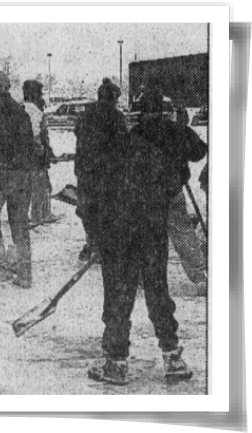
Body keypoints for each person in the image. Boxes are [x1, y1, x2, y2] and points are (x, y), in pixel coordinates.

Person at [87, 88, 194, 386]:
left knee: (119, 297)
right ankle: (172, 356)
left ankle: (117, 362)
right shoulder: (147, 150)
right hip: (151, 233)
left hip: (120, 236)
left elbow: (96, 203)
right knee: (158, 292)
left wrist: (99, 236)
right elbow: (174, 183)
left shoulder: (108, 157)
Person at [0, 70, 36, 289]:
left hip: (3, 175)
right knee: (20, 224)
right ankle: (24, 273)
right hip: (23, 174)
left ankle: (1, 266)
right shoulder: (19, 111)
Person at [74, 78, 127, 262]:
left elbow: (78, 135)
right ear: (112, 97)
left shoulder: (85, 115)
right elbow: (122, 146)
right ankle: (106, 246)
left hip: (85, 171)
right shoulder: (116, 116)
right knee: (108, 210)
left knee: (88, 210)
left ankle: (93, 244)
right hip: (108, 174)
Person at [168, 106, 208, 296]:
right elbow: (200, 151)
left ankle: (141, 278)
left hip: (145, 195)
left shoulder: (138, 130)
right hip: (172, 190)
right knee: (183, 233)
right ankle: (199, 277)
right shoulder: (179, 130)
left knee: (145, 237)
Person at [22, 80, 59, 225]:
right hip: (35, 158)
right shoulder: (34, 111)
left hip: (23, 156)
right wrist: (43, 153)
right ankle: (40, 216)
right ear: (34, 94)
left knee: (28, 188)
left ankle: (29, 215)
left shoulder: (21, 109)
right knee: (40, 187)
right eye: (40, 92)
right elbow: (36, 136)